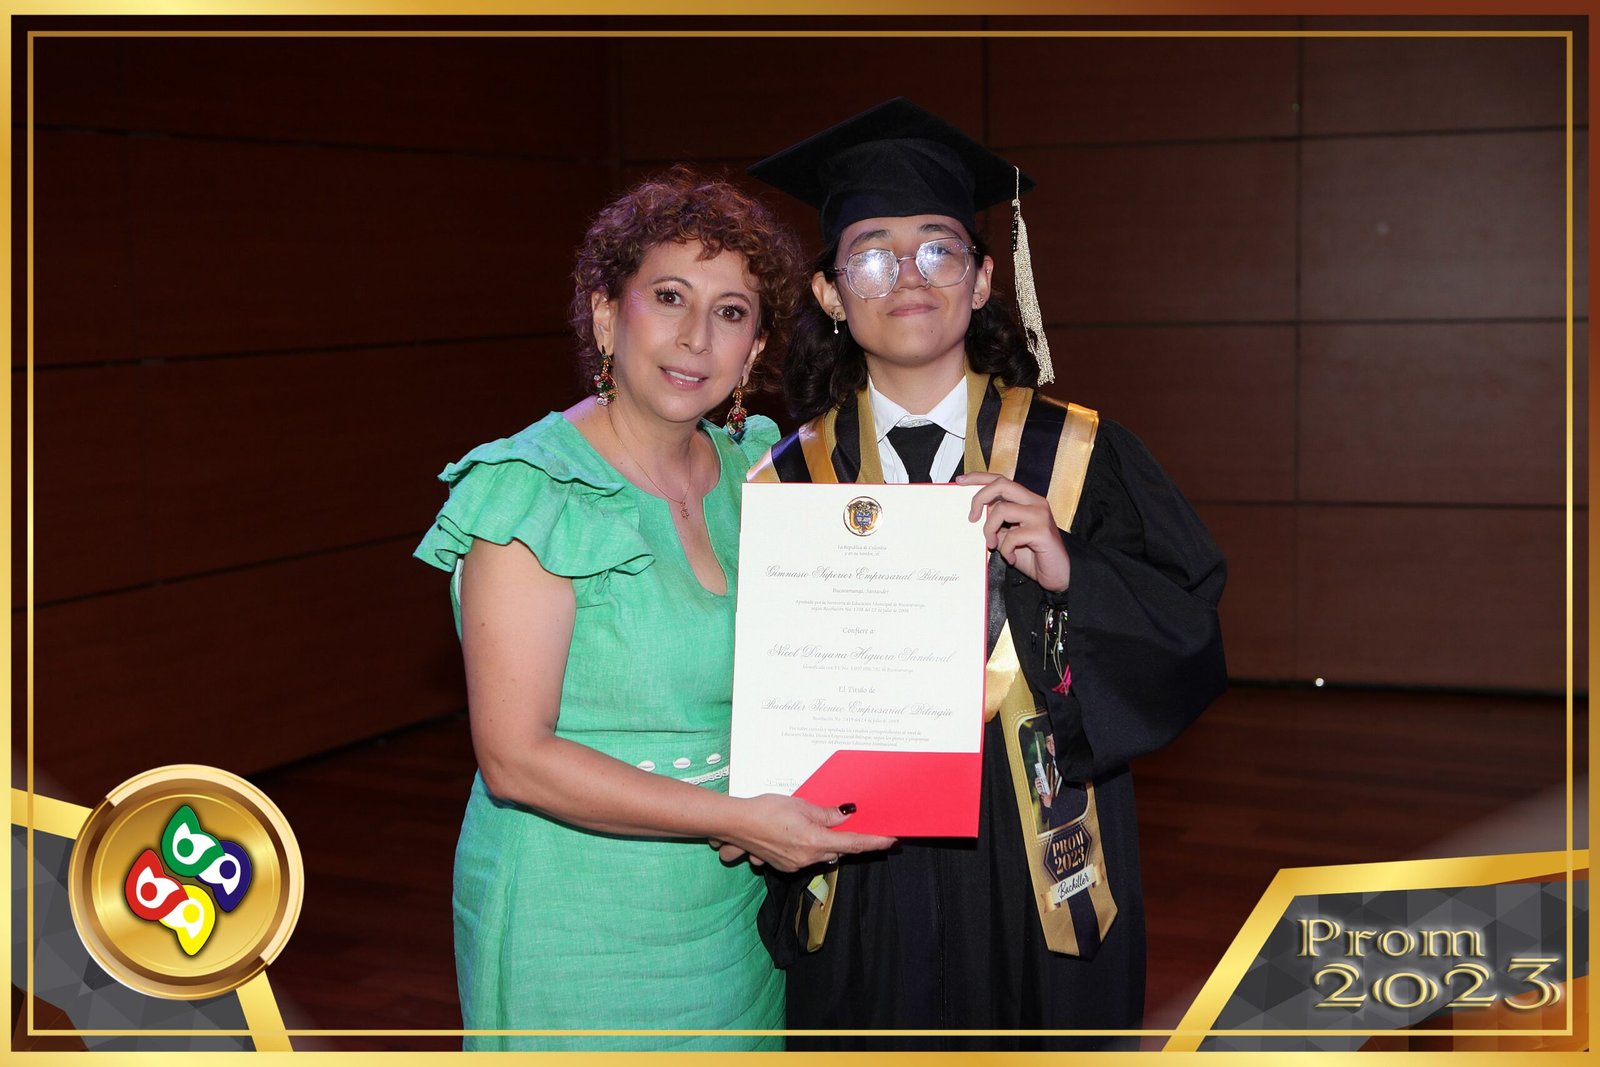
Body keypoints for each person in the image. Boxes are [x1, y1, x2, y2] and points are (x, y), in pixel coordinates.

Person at [746, 99, 1228, 1050]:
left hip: (1039, 855)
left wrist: (1074, 570)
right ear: (833, 295)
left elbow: (1189, 637)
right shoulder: (784, 482)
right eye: (872, 256)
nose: (908, 275)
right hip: (858, 866)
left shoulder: (1078, 454)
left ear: (981, 280)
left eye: (939, 249)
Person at [413, 167, 895, 1051]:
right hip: (573, 920)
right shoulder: (532, 489)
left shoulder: (762, 475)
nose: (694, 337)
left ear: (755, 348)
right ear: (607, 313)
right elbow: (516, 758)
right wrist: (736, 818)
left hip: (732, 914)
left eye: (730, 311)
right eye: (669, 297)